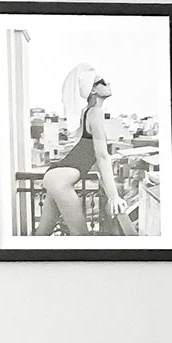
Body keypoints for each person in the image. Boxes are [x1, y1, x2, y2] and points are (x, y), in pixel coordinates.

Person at [36, 63, 127, 236]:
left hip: (55, 175)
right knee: (81, 237)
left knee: (41, 235)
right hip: (61, 180)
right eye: (103, 82)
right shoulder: (95, 113)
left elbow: (94, 156)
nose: (109, 84)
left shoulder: (87, 112)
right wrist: (114, 196)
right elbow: (102, 156)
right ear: (93, 90)